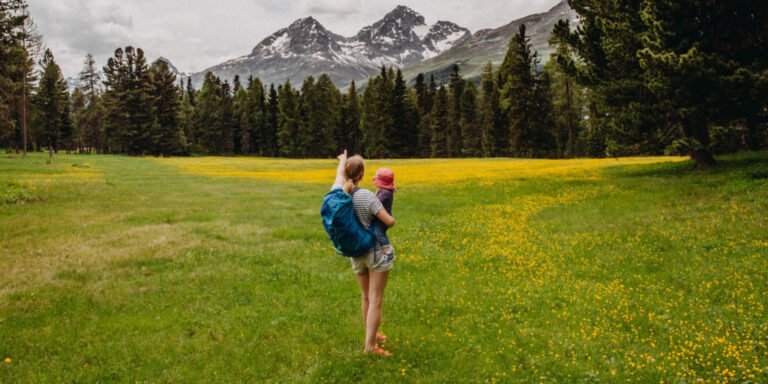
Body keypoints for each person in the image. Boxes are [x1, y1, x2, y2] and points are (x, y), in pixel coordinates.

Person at [332, 150, 396, 357]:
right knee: (376, 299)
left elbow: (338, 177)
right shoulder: (366, 196)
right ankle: (370, 346)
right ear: (361, 175)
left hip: (355, 253)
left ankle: (372, 334)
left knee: (365, 297)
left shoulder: (339, 193)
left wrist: (342, 162)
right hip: (375, 251)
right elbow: (389, 221)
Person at [371, 168, 396, 256]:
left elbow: (376, 202)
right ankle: (381, 249)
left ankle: (388, 251)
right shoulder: (383, 190)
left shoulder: (385, 192)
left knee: (379, 233)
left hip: (383, 219)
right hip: (381, 217)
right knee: (377, 232)